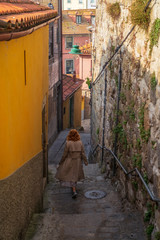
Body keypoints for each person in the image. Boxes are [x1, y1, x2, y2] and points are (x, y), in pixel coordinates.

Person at [55, 129, 88, 198]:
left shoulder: (68, 143)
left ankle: (74, 190)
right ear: (77, 135)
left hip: (70, 160)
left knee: (70, 175)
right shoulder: (80, 142)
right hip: (78, 161)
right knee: (75, 175)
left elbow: (65, 154)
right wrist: (85, 161)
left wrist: (61, 162)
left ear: (69, 135)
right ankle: (74, 189)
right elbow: (83, 153)